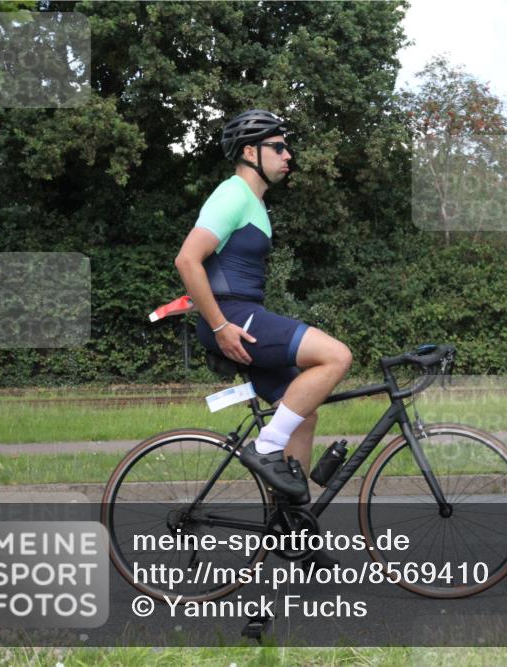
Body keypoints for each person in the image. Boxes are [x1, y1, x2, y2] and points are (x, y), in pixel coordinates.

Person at [174, 109, 352, 526]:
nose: (288, 155)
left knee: (303, 412)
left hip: (243, 313)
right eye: (278, 147)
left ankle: (292, 527)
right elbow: (187, 260)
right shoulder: (233, 193)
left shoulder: (252, 201)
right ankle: (266, 445)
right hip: (233, 315)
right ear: (250, 152)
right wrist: (219, 326)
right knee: (336, 356)